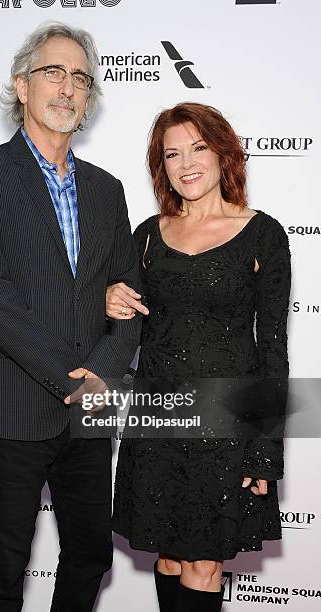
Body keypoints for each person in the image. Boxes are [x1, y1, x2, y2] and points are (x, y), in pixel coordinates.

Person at [0, 22, 141, 612]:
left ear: (88, 100)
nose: (67, 88)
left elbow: (129, 294)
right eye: (52, 73)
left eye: (79, 78)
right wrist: (70, 378)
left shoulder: (107, 190)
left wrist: (101, 376)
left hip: (89, 415)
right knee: (2, 571)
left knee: (91, 555)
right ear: (22, 87)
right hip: (14, 409)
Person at [107, 102, 291, 611]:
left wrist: (266, 449)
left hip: (225, 430)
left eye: (198, 148)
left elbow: (273, 350)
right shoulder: (145, 236)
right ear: (160, 166)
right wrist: (107, 299)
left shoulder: (263, 235)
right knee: (168, 558)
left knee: (205, 563)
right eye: (171, 154)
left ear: (222, 152)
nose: (186, 163)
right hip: (158, 422)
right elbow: (117, 324)